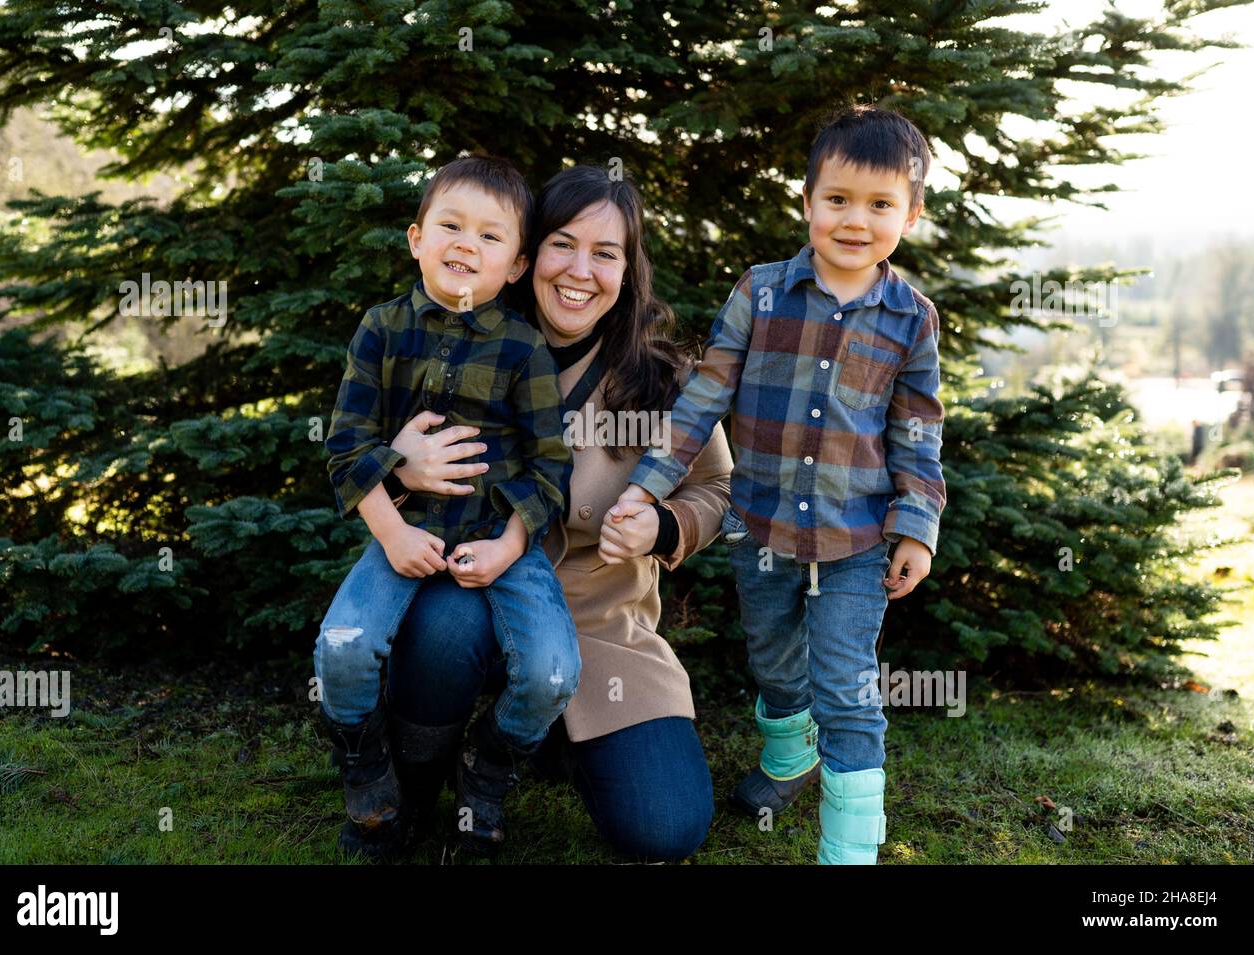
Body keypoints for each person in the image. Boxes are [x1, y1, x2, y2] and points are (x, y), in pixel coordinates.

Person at [619, 106, 947, 864]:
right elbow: (702, 399)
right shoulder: (760, 292)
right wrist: (648, 487)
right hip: (758, 526)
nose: (855, 221)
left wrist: (916, 526)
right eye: (837, 200)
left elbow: (919, 432)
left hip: (857, 540)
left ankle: (850, 849)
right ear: (806, 203)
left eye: (879, 204)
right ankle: (789, 757)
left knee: (847, 686)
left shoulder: (910, 319)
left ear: (911, 213)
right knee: (772, 661)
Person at [383, 164, 732, 861]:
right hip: (479, 597)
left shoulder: (664, 380)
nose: (580, 270)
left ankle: (538, 743)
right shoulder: (460, 346)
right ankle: (411, 784)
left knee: (664, 828)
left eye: (606, 254)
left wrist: (664, 526)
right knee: (443, 630)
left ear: (628, 273)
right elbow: (370, 461)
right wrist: (402, 465)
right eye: (562, 244)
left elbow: (719, 490)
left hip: (605, 630)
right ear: (527, 257)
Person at [314, 155, 578, 860]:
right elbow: (345, 444)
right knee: (341, 651)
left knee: (552, 671)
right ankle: (368, 768)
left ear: (518, 266)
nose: (467, 244)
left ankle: (485, 773)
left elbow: (553, 462)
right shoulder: (382, 328)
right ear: (416, 238)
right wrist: (393, 530)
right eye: (451, 226)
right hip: (402, 530)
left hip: (499, 540)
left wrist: (510, 545)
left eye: (491, 237)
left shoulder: (525, 350)